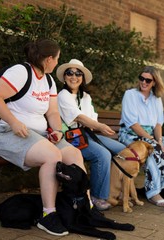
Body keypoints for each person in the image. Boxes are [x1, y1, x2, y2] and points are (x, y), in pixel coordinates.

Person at [0, 39, 87, 236]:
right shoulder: (20, 72)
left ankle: (83, 207)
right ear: (49, 59)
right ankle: (48, 215)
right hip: (5, 133)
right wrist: (14, 122)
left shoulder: (48, 80)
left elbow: (52, 113)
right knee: (51, 156)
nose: (58, 63)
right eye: (57, 59)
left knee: (74, 154)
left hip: (38, 135)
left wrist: (57, 130)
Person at [56, 59, 126, 211]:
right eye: (70, 73)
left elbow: (92, 117)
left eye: (78, 73)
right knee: (102, 154)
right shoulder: (63, 95)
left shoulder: (86, 97)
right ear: (65, 77)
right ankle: (97, 196)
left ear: (82, 78)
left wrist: (95, 125)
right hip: (71, 137)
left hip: (87, 134)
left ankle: (114, 191)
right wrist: (99, 126)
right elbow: (79, 117)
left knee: (123, 151)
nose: (74, 77)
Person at [118, 65, 164, 207]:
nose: (143, 82)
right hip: (130, 135)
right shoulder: (130, 95)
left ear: (154, 82)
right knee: (153, 149)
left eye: (148, 80)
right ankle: (153, 192)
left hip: (149, 135)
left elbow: (157, 125)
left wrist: (160, 140)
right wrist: (153, 141)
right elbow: (133, 124)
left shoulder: (156, 99)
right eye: (141, 79)